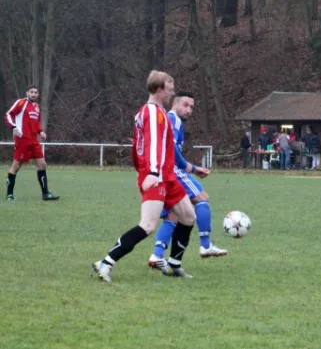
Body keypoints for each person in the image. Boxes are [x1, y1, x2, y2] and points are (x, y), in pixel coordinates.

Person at [92, 70, 196, 283]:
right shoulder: (152, 113)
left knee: (188, 217)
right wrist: (151, 173)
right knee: (148, 226)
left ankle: (174, 265)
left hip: (166, 176)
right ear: (159, 90)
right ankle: (106, 262)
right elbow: (152, 145)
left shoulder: (153, 111)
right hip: (156, 176)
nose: (172, 93)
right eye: (169, 90)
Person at [148, 92, 227, 269]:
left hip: (160, 174)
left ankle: (156, 255)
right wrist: (191, 168)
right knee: (202, 198)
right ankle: (206, 246)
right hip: (172, 171)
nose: (189, 110)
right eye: (185, 105)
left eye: (192, 107)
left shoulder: (167, 120)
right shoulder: (173, 119)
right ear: (175, 104)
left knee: (173, 215)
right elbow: (172, 149)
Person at [4, 85, 59, 201]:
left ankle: (45, 194)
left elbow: (36, 123)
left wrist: (40, 131)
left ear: (38, 95)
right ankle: (9, 194)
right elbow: (8, 114)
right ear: (27, 93)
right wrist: (13, 127)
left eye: (36, 92)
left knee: (42, 164)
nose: (34, 94)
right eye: (31, 92)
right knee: (16, 166)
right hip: (22, 139)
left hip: (34, 140)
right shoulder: (21, 103)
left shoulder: (36, 107)